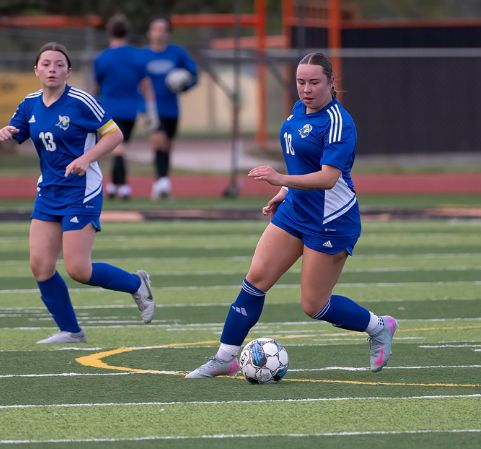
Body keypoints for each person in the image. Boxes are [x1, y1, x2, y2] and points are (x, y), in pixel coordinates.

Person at [186, 52, 397, 378]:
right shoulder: (299, 110)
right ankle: (225, 357)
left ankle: (378, 326)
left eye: (314, 82)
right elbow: (302, 163)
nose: (306, 89)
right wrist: (284, 192)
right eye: (301, 82)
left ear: (330, 81)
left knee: (314, 305)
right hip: (295, 210)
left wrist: (280, 178)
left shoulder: (338, 122)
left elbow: (328, 177)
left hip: (331, 221)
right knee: (256, 280)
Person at [0, 42, 155, 344]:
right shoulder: (29, 104)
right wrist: (1, 138)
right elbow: (10, 145)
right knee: (40, 266)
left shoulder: (81, 101)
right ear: (36, 70)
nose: (52, 69)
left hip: (81, 191)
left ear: (68, 70)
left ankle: (136, 283)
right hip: (48, 191)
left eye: (59, 64)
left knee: (78, 269)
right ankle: (71, 330)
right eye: (46, 64)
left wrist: (86, 158)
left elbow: (115, 135)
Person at [142, 15, 198, 200]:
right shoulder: (142, 56)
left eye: (163, 30)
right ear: (149, 32)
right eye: (155, 29)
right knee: (158, 143)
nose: (159, 33)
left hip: (172, 108)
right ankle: (162, 185)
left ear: (168, 33)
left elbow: (193, 75)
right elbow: (134, 80)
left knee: (167, 146)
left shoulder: (177, 53)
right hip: (151, 109)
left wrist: (185, 85)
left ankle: (161, 183)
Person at [93, 13, 147, 200]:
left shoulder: (102, 58)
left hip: (108, 109)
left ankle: (120, 186)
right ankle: (117, 186)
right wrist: (149, 108)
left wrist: (93, 106)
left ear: (109, 33)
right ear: (127, 32)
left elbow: (96, 86)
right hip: (130, 110)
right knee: (120, 148)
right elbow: (145, 83)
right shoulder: (137, 56)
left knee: (117, 149)